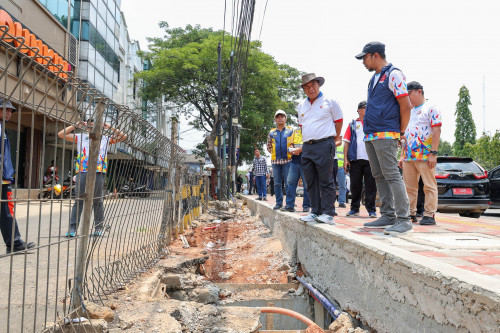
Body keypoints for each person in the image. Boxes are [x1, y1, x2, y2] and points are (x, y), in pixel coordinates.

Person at [355, 41, 412, 234]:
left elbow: (406, 105)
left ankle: (404, 219)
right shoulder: (374, 79)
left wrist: (401, 132)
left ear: (375, 55)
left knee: (392, 175)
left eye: (365, 57)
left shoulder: (394, 74)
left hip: (387, 133)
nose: (363, 62)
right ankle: (388, 215)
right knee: (378, 175)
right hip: (372, 134)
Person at [58, 119, 127, 237]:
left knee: (98, 200)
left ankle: (99, 227)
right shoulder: (80, 137)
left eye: (94, 127)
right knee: (79, 199)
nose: (92, 130)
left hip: (99, 171)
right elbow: (61, 134)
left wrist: (109, 127)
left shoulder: (105, 138)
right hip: (83, 171)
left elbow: (123, 137)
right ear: (86, 128)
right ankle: (72, 229)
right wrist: (76, 124)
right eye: (90, 128)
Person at [298, 73, 343, 224]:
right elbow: (302, 125)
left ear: (319, 85)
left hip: (324, 144)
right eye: (307, 86)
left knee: (326, 179)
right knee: (310, 181)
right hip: (307, 146)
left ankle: (329, 213)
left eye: (313, 85)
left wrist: (335, 139)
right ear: (304, 89)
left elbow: (339, 121)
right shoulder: (301, 105)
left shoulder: (330, 102)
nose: (311, 89)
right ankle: (315, 211)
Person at [399, 81, 441, 225]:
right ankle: (411, 214)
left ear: (418, 91)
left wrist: (433, 153)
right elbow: (406, 135)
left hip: (425, 155)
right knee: (409, 187)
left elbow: (437, 131)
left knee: (429, 185)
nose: (407, 98)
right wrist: (402, 155)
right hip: (409, 155)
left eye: (409, 94)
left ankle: (429, 215)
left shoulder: (431, 108)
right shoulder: (408, 111)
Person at [0, 98, 36, 253]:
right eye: (6, 109)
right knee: (6, 210)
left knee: (6, 210)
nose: (9, 113)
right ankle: (15, 243)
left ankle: (15, 243)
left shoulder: (2, 128)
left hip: (4, 176)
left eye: (10, 111)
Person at [343, 101, 377, 218]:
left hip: (370, 160)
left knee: (371, 186)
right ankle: (354, 209)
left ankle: (371, 210)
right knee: (355, 185)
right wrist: (345, 159)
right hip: (355, 159)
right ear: (359, 110)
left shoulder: (373, 124)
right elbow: (346, 143)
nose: (367, 110)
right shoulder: (352, 124)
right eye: (364, 108)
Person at [267, 110, 293, 210]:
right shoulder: (272, 132)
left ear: (285, 119)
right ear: (275, 119)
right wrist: (274, 153)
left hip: (288, 161)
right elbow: (268, 146)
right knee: (277, 183)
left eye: (282, 116)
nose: (280, 118)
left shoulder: (291, 130)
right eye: (278, 117)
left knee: (288, 183)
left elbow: (294, 144)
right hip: (275, 162)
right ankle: (279, 203)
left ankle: (289, 204)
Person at [282, 126, 311, 212]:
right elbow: (291, 144)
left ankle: (306, 206)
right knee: (290, 183)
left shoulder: (310, 130)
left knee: (307, 185)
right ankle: (289, 205)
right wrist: (292, 149)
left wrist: (300, 150)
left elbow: (311, 145)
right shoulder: (295, 131)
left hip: (306, 162)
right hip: (294, 161)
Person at [336, 141, 347, 208]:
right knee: (331, 186)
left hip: (341, 168)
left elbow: (346, 156)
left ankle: (341, 202)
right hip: (332, 167)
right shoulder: (331, 142)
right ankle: (331, 202)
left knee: (342, 185)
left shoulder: (343, 144)